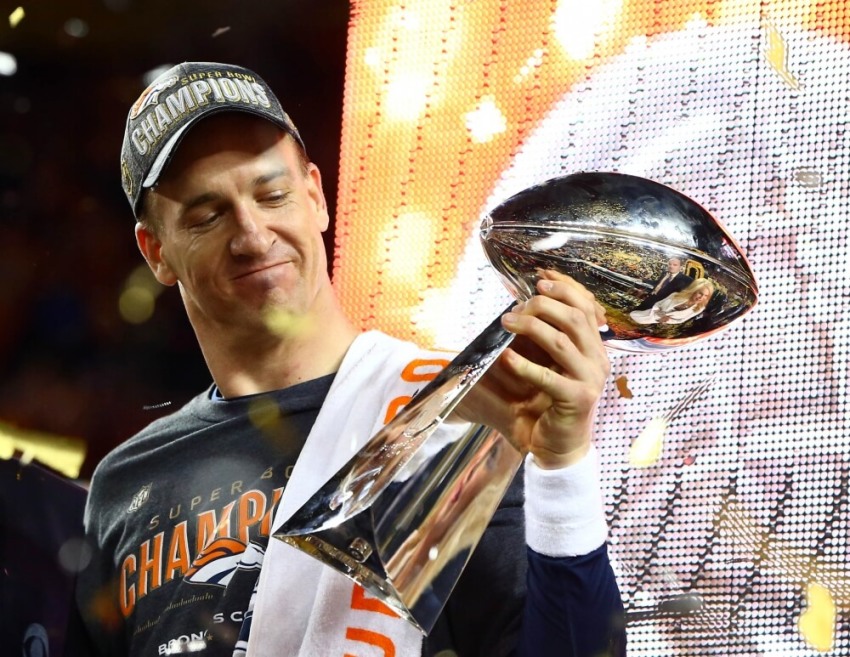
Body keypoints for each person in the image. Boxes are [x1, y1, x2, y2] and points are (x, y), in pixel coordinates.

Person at [75, 62, 625, 657]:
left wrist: (563, 464)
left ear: (315, 196)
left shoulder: (453, 418)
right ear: (156, 252)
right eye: (207, 216)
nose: (253, 236)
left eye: (273, 195)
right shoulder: (125, 485)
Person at [629, 277, 715, 325]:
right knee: (631, 317)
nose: (701, 297)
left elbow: (681, 320)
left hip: (660, 325)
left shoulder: (699, 308)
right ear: (693, 290)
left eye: (706, 296)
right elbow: (657, 305)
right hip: (648, 315)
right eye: (700, 293)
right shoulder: (675, 296)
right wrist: (662, 316)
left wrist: (667, 321)